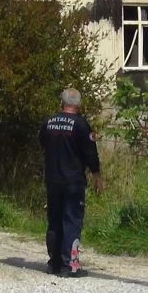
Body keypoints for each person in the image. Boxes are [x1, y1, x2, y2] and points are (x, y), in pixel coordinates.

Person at [39, 88, 102, 277]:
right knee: (72, 220)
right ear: (79, 105)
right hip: (73, 181)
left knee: (55, 220)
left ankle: (54, 263)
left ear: (62, 103)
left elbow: (42, 143)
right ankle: (70, 265)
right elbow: (90, 153)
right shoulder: (81, 125)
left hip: (53, 179)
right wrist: (97, 175)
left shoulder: (49, 122)